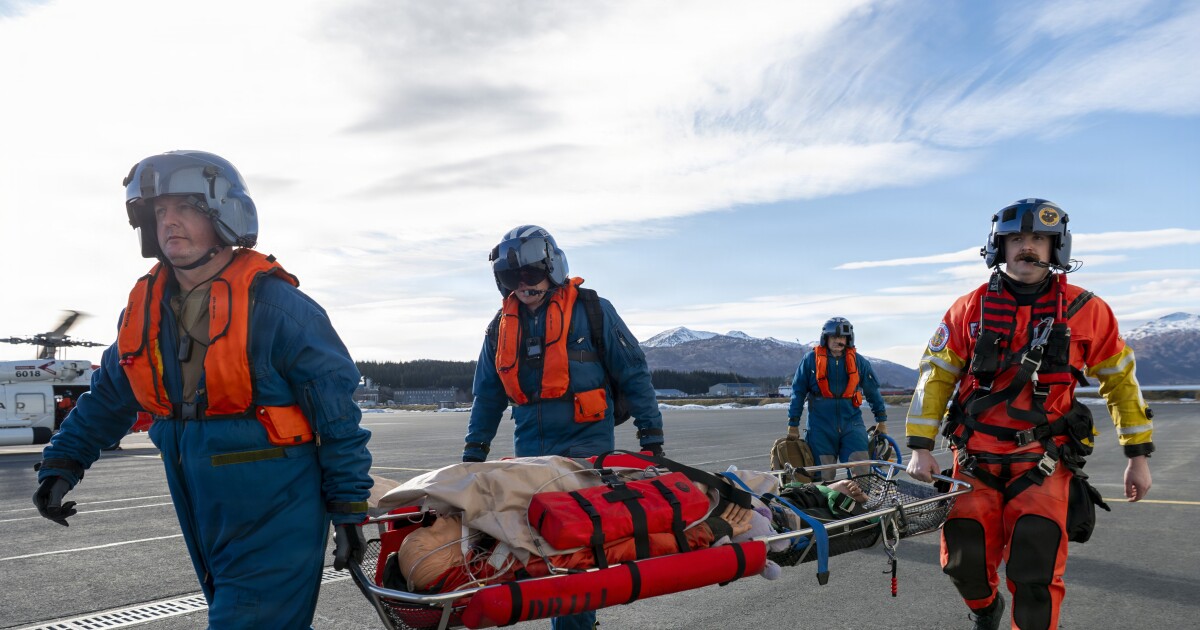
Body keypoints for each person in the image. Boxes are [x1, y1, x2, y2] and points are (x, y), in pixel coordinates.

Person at [32, 150, 374, 629]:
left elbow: (337, 418)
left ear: (224, 213)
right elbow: (109, 397)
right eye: (159, 212)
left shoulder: (280, 310)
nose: (170, 223)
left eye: (186, 208)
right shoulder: (144, 312)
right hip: (199, 503)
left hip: (276, 505)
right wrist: (63, 463)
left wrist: (349, 507)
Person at [905, 198, 1154, 630]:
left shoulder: (1088, 311)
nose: (1027, 248)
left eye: (1038, 238)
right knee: (964, 562)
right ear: (998, 247)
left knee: (1035, 571)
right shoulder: (969, 308)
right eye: (1016, 239)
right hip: (974, 459)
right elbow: (936, 375)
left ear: (1056, 246)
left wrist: (1138, 456)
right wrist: (921, 447)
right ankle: (985, 610)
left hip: (1044, 461)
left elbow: (1120, 383)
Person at [464, 225, 665, 630]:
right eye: (511, 278)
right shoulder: (499, 328)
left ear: (552, 268)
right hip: (532, 456)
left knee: (571, 551)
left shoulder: (593, 311)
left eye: (531, 274)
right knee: (544, 553)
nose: (524, 285)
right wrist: (473, 454)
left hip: (585, 453)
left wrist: (652, 439)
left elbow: (634, 374)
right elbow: (487, 396)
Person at [787, 317, 889, 479]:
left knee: (861, 470)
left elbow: (873, 392)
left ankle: (858, 503)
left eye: (842, 338)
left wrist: (881, 420)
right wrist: (793, 424)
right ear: (825, 338)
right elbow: (797, 392)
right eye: (834, 337)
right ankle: (824, 503)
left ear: (848, 340)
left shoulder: (859, 362)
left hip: (852, 424)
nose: (838, 341)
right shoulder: (810, 360)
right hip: (820, 427)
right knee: (822, 476)